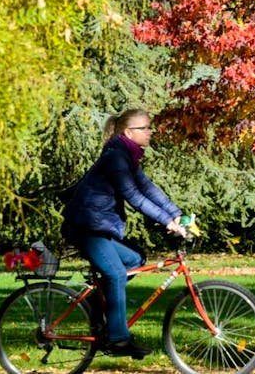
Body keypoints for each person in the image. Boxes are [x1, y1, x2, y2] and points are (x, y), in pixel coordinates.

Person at [61, 109, 186, 358]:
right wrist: (167, 222)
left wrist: (176, 213)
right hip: (87, 227)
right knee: (117, 274)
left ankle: (95, 304)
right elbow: (133, 195)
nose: (151, 132)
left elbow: (147, 188)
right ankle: (117, 340)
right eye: (146, 128)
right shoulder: (116, 158)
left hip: (97, 226)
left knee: (133, 260)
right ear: (129, 132)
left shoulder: (126, 155)